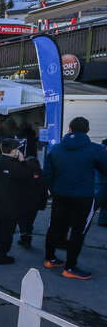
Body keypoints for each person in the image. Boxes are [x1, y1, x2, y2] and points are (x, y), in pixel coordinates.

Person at [44, 116, 107, 279]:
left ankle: (49, 259)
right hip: (83, 197)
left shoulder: (56, 149)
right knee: (78, 231)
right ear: (87, 131)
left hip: (60, 195)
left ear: (70, 129)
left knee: (55, 226)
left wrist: (55, 190)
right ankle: (70, 267)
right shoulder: (95, 149)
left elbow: (47, 175)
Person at [0, 137, 29, 264]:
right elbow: (27, 177)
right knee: (7, 230)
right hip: (10, 202)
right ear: (14, 150)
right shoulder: (15, 165)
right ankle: (2, 254)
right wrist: (23, 161)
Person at [17, 149, 47, 248]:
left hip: (22, 203)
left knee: (22, 221)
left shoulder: (23, 174)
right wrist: (42, 205)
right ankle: (28, 239)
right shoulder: (41, 175)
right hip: (35, 204)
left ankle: (24, 238)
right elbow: (44, 192)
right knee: (30, 222)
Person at [96, 139, 107, 227]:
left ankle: (103, 220)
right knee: (97, 200)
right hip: (102, 181)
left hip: (98, 181)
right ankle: (103, 220)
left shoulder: (98, 150)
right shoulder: (103, 152)